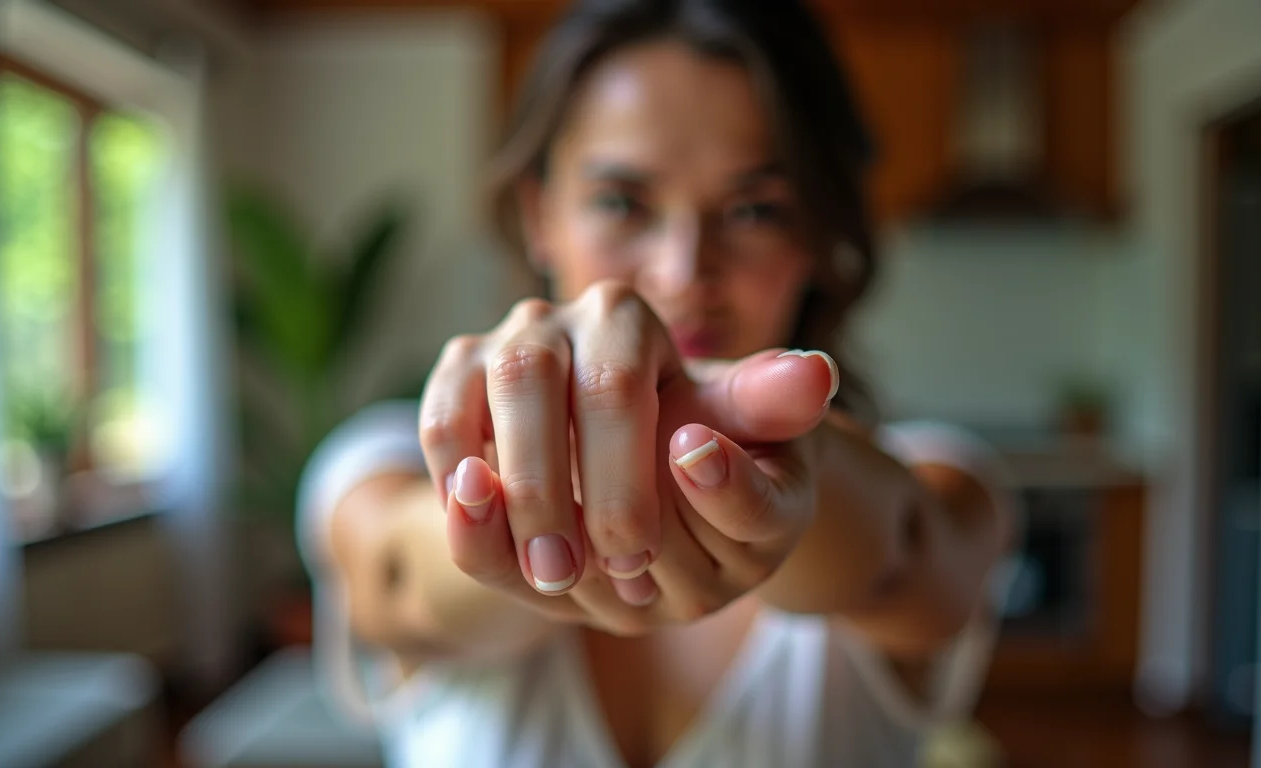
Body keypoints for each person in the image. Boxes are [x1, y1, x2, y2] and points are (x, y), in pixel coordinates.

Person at [297, 1, 1017, 765]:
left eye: (754, 209)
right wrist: (516, 514)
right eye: (621, 202)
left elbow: (905, 555)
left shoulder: (939, 480)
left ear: (817, 235)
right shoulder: (389, 461)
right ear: (541, 215)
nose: (681, 273)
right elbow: (398, 583)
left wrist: (795, 479)